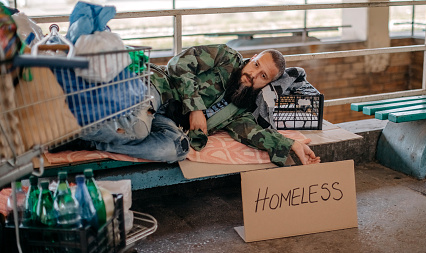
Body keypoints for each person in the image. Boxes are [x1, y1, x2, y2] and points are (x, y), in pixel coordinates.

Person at [75, 44, 320, 166]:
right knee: (139, 128)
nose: (253, 75)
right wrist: (196, 109)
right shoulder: (226, 57)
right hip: (157, 89)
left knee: (174, 150)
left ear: (264, 85)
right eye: (256, 65)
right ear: (252, 59)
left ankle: (89, 138)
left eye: (263, 76)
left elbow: (253, 134)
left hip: (167, 120)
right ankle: (69, 126)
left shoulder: (242, 110)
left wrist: (291, 144)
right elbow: (178, 64)